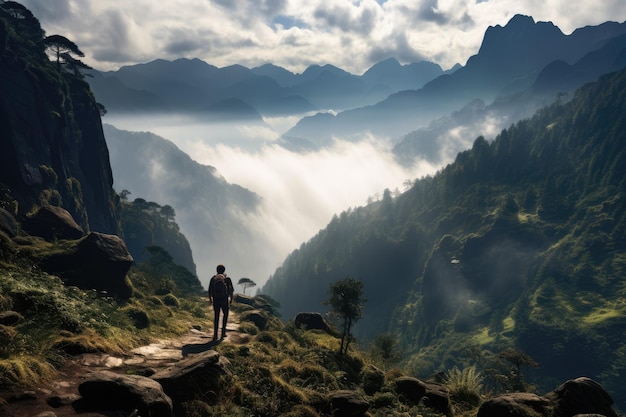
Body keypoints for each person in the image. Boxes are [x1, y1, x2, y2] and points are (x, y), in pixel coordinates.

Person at [208, 264, 234, 340]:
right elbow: (231, 290)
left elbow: (210, 290)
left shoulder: (213, 278)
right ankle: (223, 333)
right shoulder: (227, 278)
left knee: (216, 316)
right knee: (225, 315)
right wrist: (231, 299)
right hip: (224, 300)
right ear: (224, 270)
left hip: (216, 300)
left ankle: (215, 335)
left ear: (217, 270)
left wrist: (210, 299)